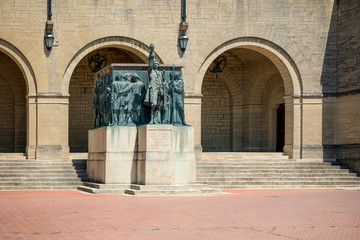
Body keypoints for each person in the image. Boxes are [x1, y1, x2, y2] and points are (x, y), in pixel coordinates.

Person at [144, 60, 164, 124]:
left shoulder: (160, 73)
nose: (156, 65)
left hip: (159, 90)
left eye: (157, 64)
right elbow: (150, 63)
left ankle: (155, 119)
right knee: (153, 104)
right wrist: (152, 52)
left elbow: (161, 81)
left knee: (158, 105)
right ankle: (151, 119)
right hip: (153, 90)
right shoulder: (151, 71)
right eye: (154, 64)